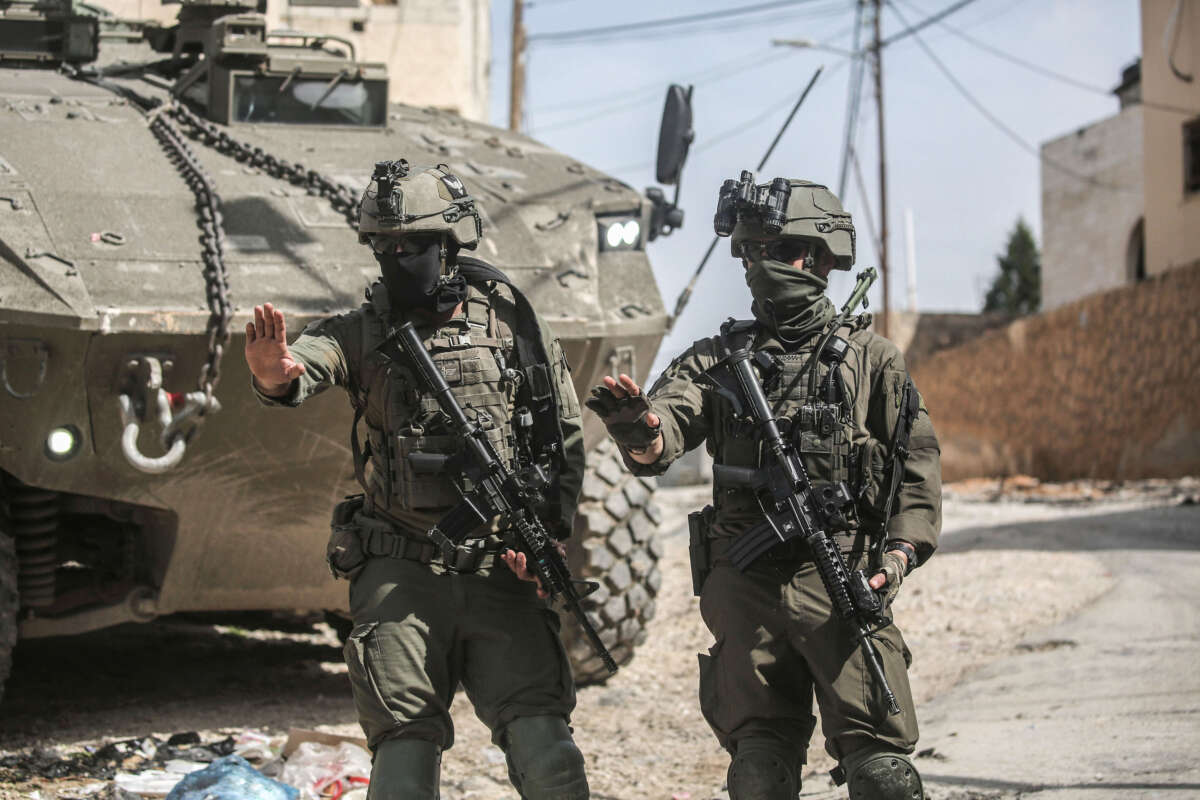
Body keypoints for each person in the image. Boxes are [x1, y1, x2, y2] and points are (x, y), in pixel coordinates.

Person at [244, 160, 589, 800]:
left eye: (415, 245)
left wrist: (546, 532)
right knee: (404, 754)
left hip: (495, 570)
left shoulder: (515, 328)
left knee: (547, 752)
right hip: (399, 568)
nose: (398, 257)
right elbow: (308, 364)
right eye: (385, 246)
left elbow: (561, 438)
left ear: (451, 246)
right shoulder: (363, 332)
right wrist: (276, 373)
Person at [586, 178, 941, 800]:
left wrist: (899, 555)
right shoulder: (716, 359)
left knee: (884, 773)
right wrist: (637, 426)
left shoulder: (870, 359)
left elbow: (917, 467)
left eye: (777, 251)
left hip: (841, 582)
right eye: (749, 253)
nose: (760, 267)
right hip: (746, 588)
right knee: (759, 773)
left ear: (822, 257)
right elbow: (662, 435)